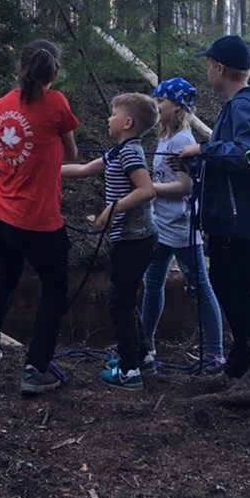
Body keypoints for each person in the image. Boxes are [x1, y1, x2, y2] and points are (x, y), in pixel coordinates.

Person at [0, 39, 79, 396]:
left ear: (20, 68)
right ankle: (36, 369)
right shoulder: (58, 104)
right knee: (55, 288)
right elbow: (72, 153)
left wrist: (1, 178)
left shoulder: (1, 105)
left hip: (0, 214)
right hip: (39, 221)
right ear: (54, 73)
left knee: (6, 275)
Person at [177, 34, 250, 379]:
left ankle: (247, 355)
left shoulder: (244, 105)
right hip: (230, 220)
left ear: (220, 68)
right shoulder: (235, 105)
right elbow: (226, 164)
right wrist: (194, 164)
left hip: (239, 222)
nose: (207, 71)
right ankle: (245, 353)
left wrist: (203, 149)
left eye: (209, 65)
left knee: (233, 287)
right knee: (227, 284)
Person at [62, 92, 158, 390]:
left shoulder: (131, 153)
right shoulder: (119, 151)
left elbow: (146, 190)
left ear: (128, 123)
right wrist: (43, 171)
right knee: (125, 297)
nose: (108, 119)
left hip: (134, 241)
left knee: (119, 302)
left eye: (113, 114)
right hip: (131, 240)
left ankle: (129, 371)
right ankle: (142, 356)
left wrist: (111, 209)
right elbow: (84, 170)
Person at [141, 78, 225, 374]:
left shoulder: (182, 141)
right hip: (160, 223)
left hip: (181, 226)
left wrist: (147, 188)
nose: (156, 106)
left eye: (160, 102)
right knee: (152, 283)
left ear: (177, 106)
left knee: (200, 287)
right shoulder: (166, 137)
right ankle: (144, 344)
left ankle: (214, 353)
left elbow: (185, 186)